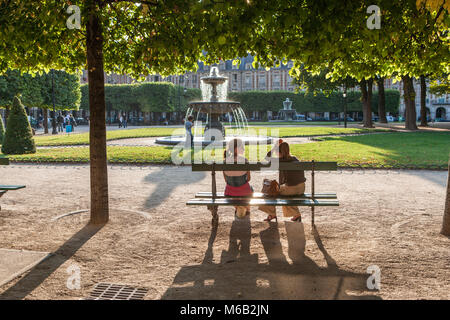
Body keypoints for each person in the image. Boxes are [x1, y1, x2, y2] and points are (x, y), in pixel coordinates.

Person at [261, 139, 306, 222]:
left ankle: (272, 214)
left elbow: (267, 157)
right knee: (284, 192)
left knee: (270, 191)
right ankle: (296, 215)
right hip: (301, 188)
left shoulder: (279, 161)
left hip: (291, 189)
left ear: (279, 152)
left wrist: (274, 147)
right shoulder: (295, 159)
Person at [223, 138, 253, 218]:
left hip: (230, 194)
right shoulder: (244, 161)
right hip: (244, 193)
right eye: (241, 147)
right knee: (250, 188)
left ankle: (237, 207)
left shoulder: (225, 161)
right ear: (236, 149)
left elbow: (226, 180)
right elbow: (249, 179)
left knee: (234, 187)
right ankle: (247, 209)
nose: (243, 149)